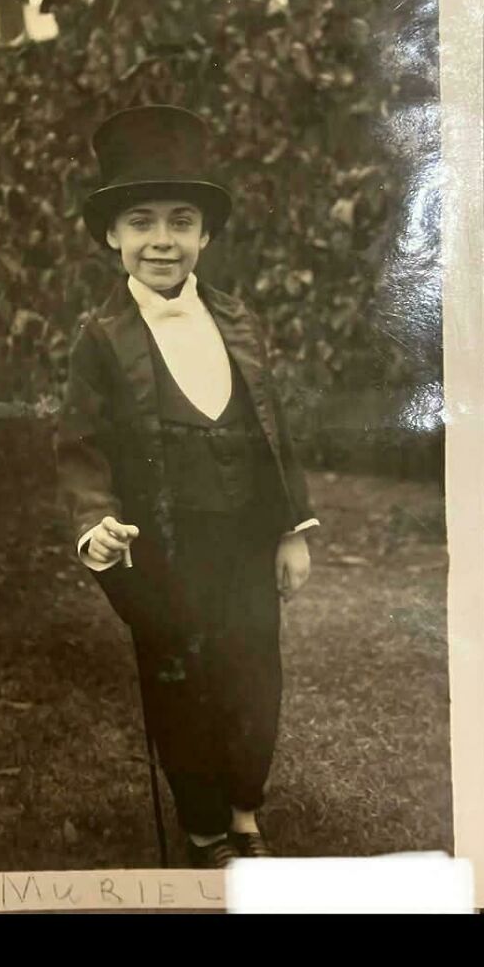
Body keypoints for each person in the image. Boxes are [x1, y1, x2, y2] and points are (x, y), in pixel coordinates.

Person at [55, 104, 318, 869]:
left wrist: (291, 529)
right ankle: (204, 826)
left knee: (252, 671)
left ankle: (244, 810)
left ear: (206, 234)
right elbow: (81, 446)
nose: (162, 240)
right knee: (180, 681)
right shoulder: (100, 338)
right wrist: (96, 520)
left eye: (181, 221)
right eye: (141, 222)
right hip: (162, 550)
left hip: (242, 540)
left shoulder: (236, 320)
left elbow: (271, 427)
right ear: (113, 235)